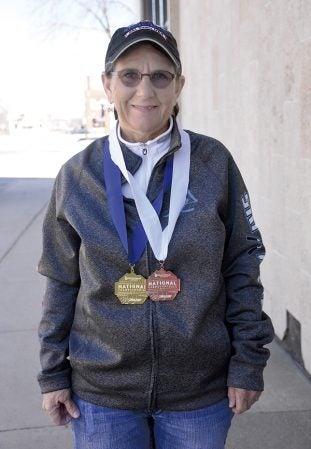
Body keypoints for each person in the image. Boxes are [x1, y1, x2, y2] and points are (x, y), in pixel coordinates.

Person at [38, 20, 274, 449]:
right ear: (107, 84)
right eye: (129, 75)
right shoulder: (77, 175)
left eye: (160, 76)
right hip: (101, 398)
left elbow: (242, 265)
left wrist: (247, 363)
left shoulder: (213, 163)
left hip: (199, 394)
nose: (145, 91)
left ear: (178, 85)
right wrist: (52, 373)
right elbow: (60, 280)